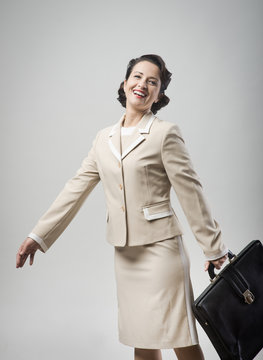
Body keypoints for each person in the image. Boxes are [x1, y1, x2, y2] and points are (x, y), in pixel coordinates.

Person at [16, 54, 228, 360]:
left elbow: (190, 193)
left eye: (152, 82)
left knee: (179, 338)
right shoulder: (104, 139)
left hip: (161, 252)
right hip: (125, 255)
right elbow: (75, 189)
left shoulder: (164, 133)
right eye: (137, 77)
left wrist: (213, 248)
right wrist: (38, 236)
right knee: (141, 341)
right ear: (124, 83)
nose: (142, 84)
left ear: (159, 95)